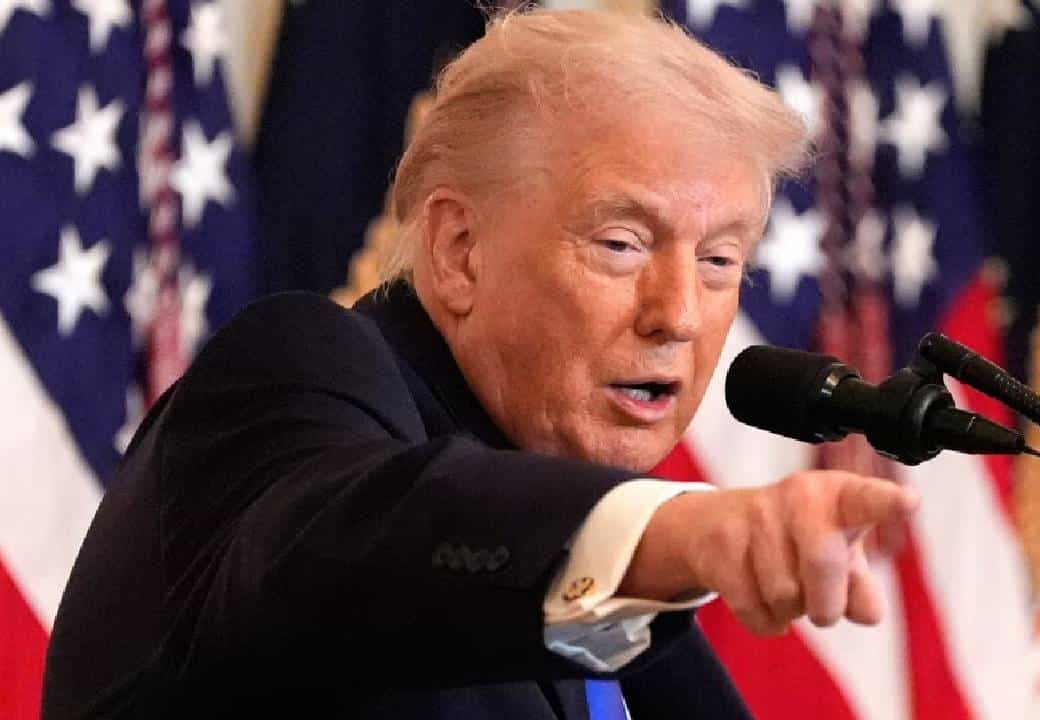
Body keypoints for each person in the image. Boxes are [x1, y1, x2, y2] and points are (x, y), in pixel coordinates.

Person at [41, 9, 919, 719]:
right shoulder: (302, 370)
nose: (681, 315)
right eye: (621, 244)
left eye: (720, 260)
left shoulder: (632, 614)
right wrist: (677, 533)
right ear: (460, 251)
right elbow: (356, 540)